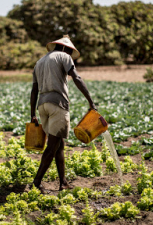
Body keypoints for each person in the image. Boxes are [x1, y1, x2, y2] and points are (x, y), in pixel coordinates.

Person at [30, 35, 96, 194]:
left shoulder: (39, 62)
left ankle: (63, 182)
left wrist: (32, 114)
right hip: (57, 105)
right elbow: (77, 78)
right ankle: (36, 182)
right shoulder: (65, 56)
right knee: (52, 146)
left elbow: (34, 90)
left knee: (58, 145)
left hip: (42, 106)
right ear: (67, 49)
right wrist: (91, 102)